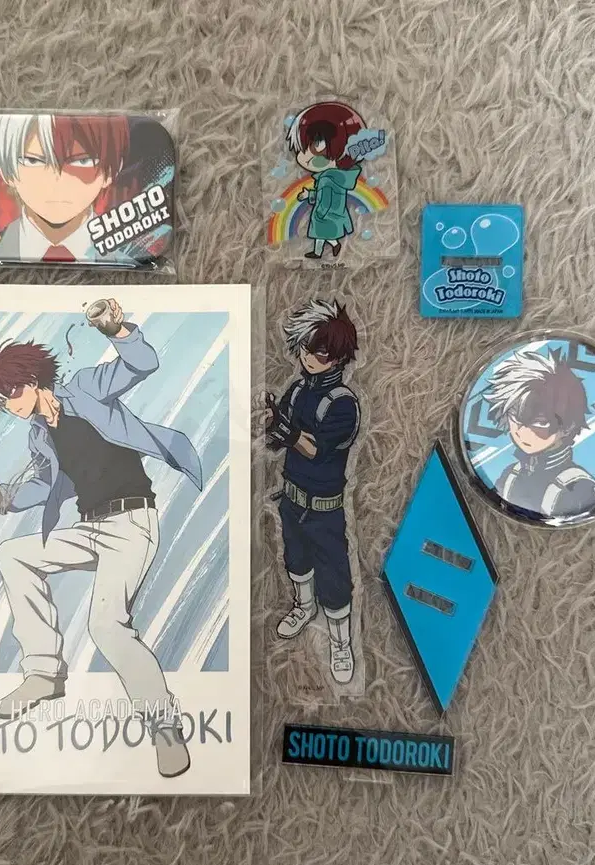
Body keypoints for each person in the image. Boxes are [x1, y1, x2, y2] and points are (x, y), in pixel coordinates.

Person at [0, 298, 201, 778]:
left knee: (106, 626)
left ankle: (164, 726)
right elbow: (43, 486)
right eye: (4, 402)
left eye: (11, 396)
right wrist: (1, 496)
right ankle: (43, 673)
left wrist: (117, 330)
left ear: (31, 382)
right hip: (91, 528)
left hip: (132, 523)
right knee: (13, 554)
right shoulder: (39, 436)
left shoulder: (85, 389)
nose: (10, 408)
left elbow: (142, 365)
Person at [254, 298, 361, 684]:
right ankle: (303, 606)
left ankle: (341, 643)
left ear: (339, 356)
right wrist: (270, 422)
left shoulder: (344, 404)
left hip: (325, 507)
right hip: (292, 497)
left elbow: (316, 450)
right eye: (304, 348)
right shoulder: (297, 390)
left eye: (319, 352)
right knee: (296, 559)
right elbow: (277, 437)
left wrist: (287, 432)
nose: (308, 358)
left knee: (334, 576)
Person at [0, 113, 129, 263]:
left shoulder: (127, 257)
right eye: (33, 161)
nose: (56, 181)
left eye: (82, 161)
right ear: (4, 171)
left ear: (110, 172)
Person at [482, 349, 595, 523]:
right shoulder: (509, 476)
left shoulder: (579, 488)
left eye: (539, 423)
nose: (521, 432)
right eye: (515, 419)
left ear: (568, 427)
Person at [285, 101, 366, 260]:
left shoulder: (328, 179)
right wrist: (309, 195)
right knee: (319, 235)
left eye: (313, 148)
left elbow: (325, 198)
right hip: (331, 214)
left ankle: (333, 245)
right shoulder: (331, 178)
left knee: (322, 233)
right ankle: (320, 251)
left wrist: (321, 212)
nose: (302, 156)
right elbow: (322, 194)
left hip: (327, 215)